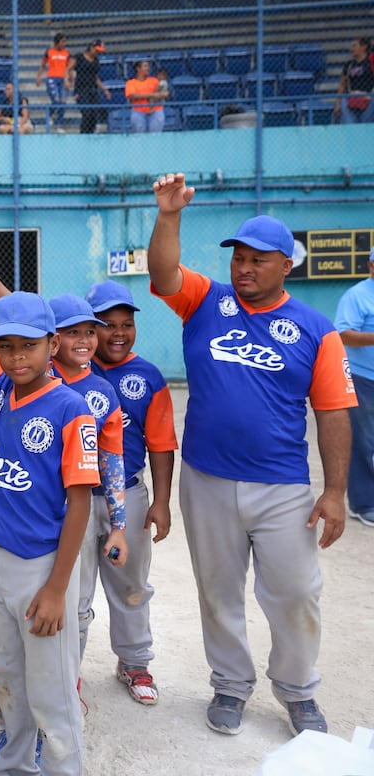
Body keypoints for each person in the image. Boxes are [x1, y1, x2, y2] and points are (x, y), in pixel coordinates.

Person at [147, 172, 356, 737]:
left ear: (286, 265)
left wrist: (334, 492)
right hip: (207, 479)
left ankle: (297, 690)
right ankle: (230, 685)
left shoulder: (316, 329)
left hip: (282, 486)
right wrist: (169, 216)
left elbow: (333, 412)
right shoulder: (206, 302)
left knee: (294, 592)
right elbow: (163, 274)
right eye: (239, 256)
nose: (244, 267)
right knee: (217, 593)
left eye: (259, 259)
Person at [0, 291, 97, 776]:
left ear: (53, 343)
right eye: (6, 346)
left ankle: (65, 768)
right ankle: (16, 766)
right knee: (11, 683)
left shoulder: (70, 407)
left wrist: (58, 588)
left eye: (29, 345)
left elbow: (80, 503)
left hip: (43, 566)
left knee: (53, 694)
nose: (17, 356)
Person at [86, 279, 178, 706]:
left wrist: (160, 501)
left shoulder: (148, 376)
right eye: (107, 325)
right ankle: (68, 672)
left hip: (130, 493)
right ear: (88, 329)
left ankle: (134, 661)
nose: (119, 333)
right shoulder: (71, 370)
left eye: (126, 324)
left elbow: (160, 443)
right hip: (76, 500)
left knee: (131, 586)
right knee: (74, 590)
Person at [46, 295, 129, 699]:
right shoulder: (31, 376)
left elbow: (112, 459)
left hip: (84, 504)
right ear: (51, 338)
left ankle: (67, 684)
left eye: (89, 332)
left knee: (76, 604)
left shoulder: (101, 390)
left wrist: (119, 526)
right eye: (71, 332)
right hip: (37, 507)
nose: (83, 340)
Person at [336, 248, 374, 525]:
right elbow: (342, 334)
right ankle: (363, 503)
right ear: (371, 266)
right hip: (364, 378)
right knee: (363, 442)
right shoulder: (357, 296)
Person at [68, 39, 111, 135]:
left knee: (95, 113)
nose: (98, 53)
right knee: (86, 113)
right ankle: (83, 134)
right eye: (96, 50)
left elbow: (95, 77)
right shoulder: (79, 57)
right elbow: (68, 69)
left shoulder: (96, 61)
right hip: (81, 89)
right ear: (91, 48)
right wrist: (69, 80)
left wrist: (104, 89)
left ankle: (91, 133)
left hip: (93, 89)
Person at [334, 36, 374, 125]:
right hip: (352, 99)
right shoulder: (349, 65)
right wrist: (337, 103)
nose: (352, 49)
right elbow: (342, 84)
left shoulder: (371, 61)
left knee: (366, 125)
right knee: (350, 123)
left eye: (355, 46)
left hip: (368, 98)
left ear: (364, 47)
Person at [36, 33, 71, 129]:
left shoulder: (67, 53)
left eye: (65, 42)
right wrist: (39, 77)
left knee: (63, 102)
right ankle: (49, 115)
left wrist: (70, 79)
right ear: (57, 42)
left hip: (63, 79)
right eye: (62, 41)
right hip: (52, 78)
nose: (64, 44)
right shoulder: (49, 51)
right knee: (56, 100)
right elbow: (43, 65)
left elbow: (68, 68)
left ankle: (59, 124)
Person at [125, 59, 166, 133]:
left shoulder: (154, 80)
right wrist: (152, 95)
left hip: (155, 111)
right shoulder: (131, 83)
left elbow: (164, 93)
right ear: (138, 69)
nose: (148, 68)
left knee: (155, 137)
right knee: (139, 137)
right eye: (145, 66)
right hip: (139, 112)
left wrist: (158, 96)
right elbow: (132, 95)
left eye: (148, 66)